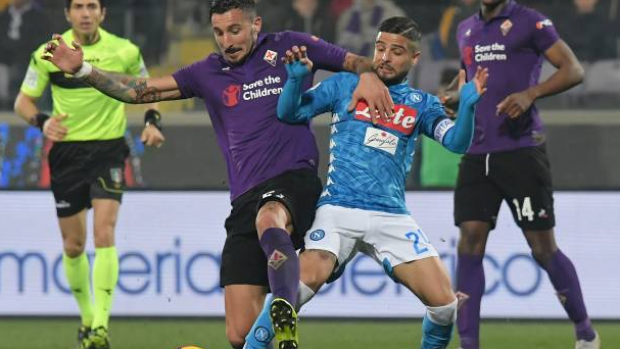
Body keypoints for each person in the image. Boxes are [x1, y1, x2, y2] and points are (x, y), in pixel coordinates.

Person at [41, 1, 394, 348]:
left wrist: (367, 75)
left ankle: (284, 308)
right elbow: (139, 91)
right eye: (219, 32)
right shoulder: (205, 73)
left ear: (256, 25)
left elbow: (354, 60)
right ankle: (279, 319)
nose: (227, 40)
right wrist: (84, 70)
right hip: (243, 198)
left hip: (292, 179)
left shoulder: (290, 44)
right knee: (240, 334)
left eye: (235, 30)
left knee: (270, 217)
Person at [245, 16, 489, 349]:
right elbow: (290, 113)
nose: (385, 57)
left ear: (414, 58)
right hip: (338, 208)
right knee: (295, 288)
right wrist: (294, 82)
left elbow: (457, 143)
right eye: (380, 48)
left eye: (397, 51)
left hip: (390, 214)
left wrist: (469, 110)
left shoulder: (421, 104)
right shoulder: (345, 84)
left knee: (445, 306)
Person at [448, 1, 600, 349]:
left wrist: (531, 93)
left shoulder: (529, 21)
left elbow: (573, 69)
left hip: (520, 150)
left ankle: (585, 332)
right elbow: (469, 85)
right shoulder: (464, 29)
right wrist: (455, 99)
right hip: (476, 151)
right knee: (469, 241)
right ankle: (468, 344)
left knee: (543, 249)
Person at [13, 0, 164, 348]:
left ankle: (100, 327)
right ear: (67, 14)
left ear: (102, 13)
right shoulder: (48, 53)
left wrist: (152, 121)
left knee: (105, 232)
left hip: (109, 149)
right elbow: (24, 101)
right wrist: (43, 121)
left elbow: (150, 88)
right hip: (67, 154)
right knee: (74, 244)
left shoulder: (124, 51)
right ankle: (86, 317)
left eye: (91, 6)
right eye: (78, 6)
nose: (85, 12)